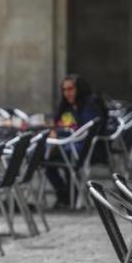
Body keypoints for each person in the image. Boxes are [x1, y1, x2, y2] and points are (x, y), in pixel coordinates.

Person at [46, 74, 107, 205]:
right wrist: (54, 130)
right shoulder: (67, 106)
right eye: (64, 90)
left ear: (79, 89)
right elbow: (57, 122)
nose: (67, 93)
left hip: (89, 148)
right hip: (69, 145)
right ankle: (63, 194)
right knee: (44, 159)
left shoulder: (90, 104)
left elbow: (86, 130)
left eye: (70, 89)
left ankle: (68, 197)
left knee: (57, 156)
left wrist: (64, 131)